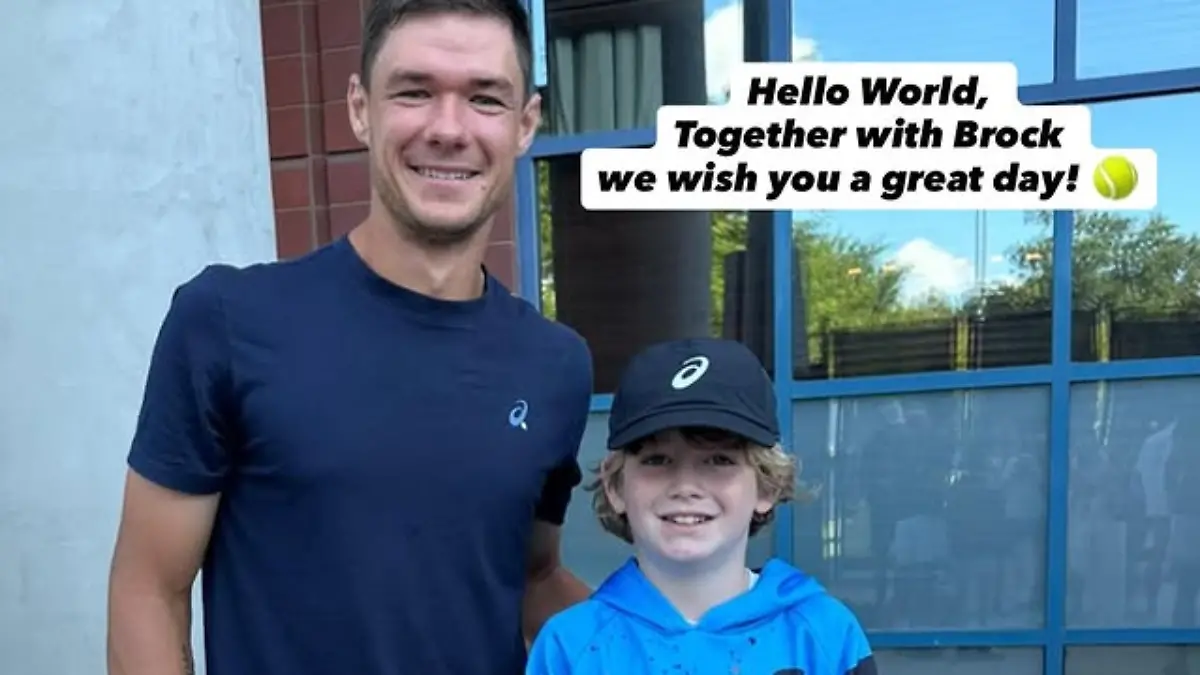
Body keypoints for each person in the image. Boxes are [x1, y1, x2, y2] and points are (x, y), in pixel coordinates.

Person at [105, 1, 594, 674]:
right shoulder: (227, 321)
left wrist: (688, 633)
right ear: (361, 108)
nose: (448, 128)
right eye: (415, 92)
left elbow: (534, 576)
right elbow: (148, 588)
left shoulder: (556, 365)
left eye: (485, 98)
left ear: (525, 124)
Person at [526, 338, 877, 675]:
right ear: (616, 485)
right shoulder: (570, 648)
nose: (685, 486)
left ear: (767, 484)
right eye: (658, 459)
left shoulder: (824, 635)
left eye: (719, 460)